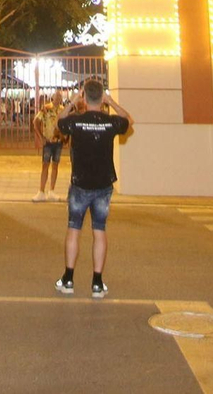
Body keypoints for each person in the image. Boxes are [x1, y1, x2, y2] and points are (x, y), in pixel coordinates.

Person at [54, 78, 132, 299]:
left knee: (74, 229)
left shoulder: (76, 122)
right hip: (103, 185)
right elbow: (129, 120)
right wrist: (112, 102)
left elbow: (59, 121)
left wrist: (72, 101)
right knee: (99, 231)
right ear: (102, 98)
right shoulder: (110, 122)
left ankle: (68, 279)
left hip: (80, 184)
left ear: (85, 97)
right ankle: (97, 282)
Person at [31, 91, 66, 202]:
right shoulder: (46, 108)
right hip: (48, 141)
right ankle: (41, 191)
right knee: (45, 165)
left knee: (55, 165)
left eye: (60, 97)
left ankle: (51, 190)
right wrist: (41, 137)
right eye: (57, 96)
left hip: (58, 141)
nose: (58, 98)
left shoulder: (62, 109)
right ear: (52, 98)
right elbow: (36, 122)